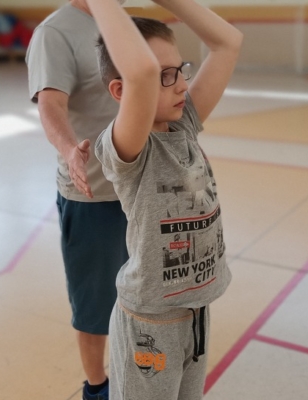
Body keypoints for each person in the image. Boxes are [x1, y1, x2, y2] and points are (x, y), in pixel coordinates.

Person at [88, 0, 243, 398]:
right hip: (151, 325)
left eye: (180, 70)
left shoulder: (183, 125)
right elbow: (139, 72)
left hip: (196, 312)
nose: (181, 84)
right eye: (165, 76)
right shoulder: (128, 151)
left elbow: (228, 42)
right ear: (121, 91)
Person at [25, 1, 129, 399]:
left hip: (143, 190)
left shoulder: (127, 22)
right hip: (95, 195)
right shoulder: (57, 32)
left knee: (145, 293)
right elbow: (51, 104)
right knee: (95, 302)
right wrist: (70, 150)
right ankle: (97, 387)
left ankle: (140, 370)